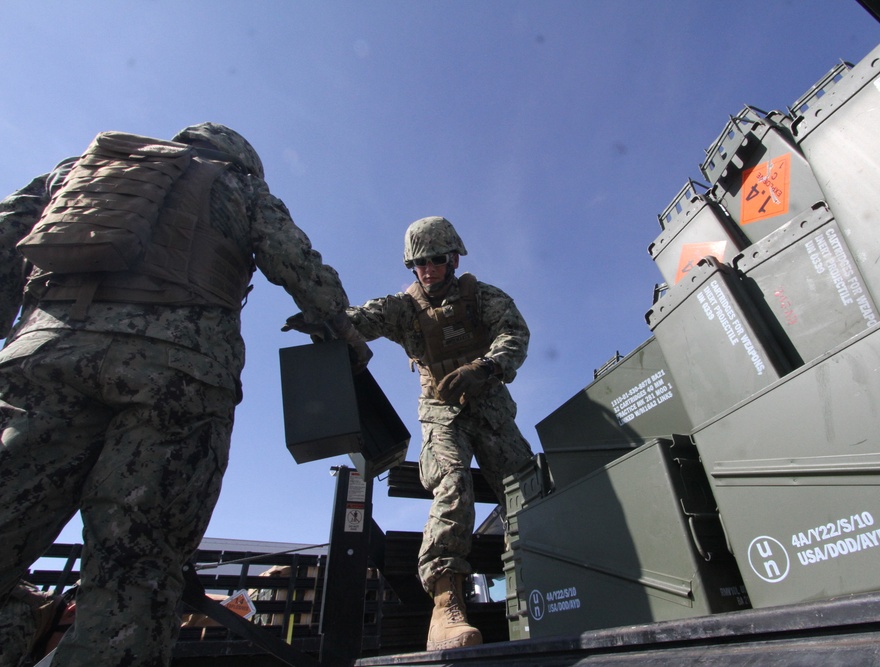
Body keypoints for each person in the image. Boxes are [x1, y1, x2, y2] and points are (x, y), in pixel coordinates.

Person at [0, 123, 370, 667]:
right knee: (137, 566)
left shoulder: (84, 167)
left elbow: (7, 232)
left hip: (44, 357)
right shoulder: (238, 185)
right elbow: (299, 265)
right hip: (175, 376)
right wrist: (341, 332)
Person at [343, 216, 533, 650]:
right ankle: (446, 604)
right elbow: (360, 319)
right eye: (419, 263)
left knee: (525, 488)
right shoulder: (405, 308)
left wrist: (484, 367)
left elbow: (514, 333)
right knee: (452, 483)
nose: (427, 269)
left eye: (435, 260)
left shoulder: (482, 297)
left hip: (489, 407)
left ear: (452, 259)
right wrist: (327, 320)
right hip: (441, 411)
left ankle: (543, 577)